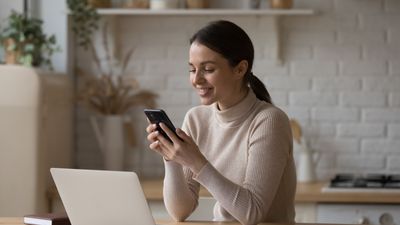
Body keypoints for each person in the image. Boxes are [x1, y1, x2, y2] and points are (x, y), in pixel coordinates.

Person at [146, 20, 296, 225]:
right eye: (192, 69)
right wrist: (171, 159)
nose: (196, 79)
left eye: (207, 69)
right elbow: (180, 212)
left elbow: (252, 213)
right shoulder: (197, 118)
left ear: (240, 69)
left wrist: (195, 161)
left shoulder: (269, 120)